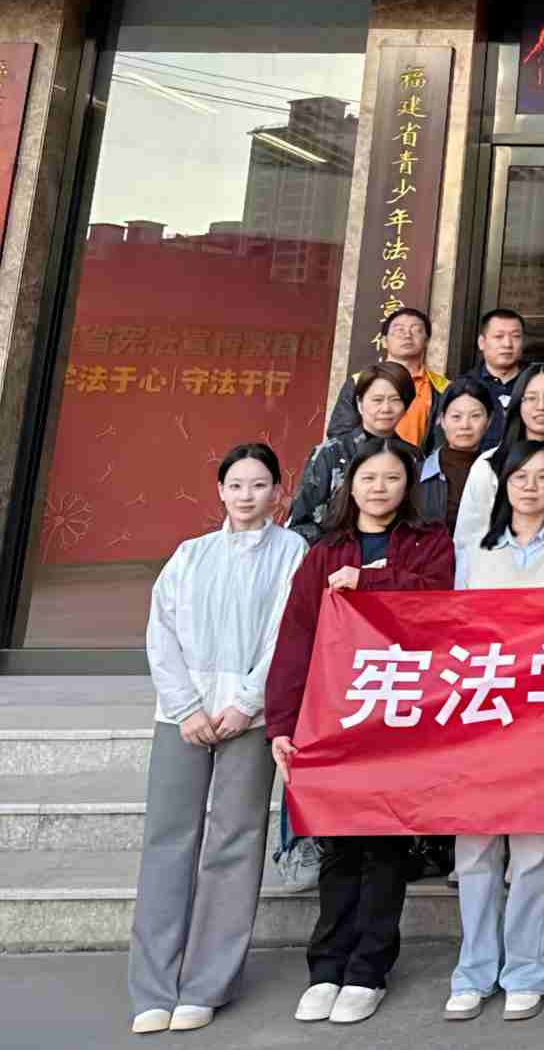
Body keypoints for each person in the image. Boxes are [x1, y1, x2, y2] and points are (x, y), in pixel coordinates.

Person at [265, 438, 454, 1027]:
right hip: (333, 717)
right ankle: (326, 968)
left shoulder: (430, 543)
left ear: (408, 486)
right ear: (351, 486)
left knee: (384, 844)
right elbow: (295, 638)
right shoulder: (324, 551)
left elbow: (438, 601)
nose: (379, 488)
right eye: (369, 478)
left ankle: (369, 969)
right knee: (339, 845)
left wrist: (372, 581)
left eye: (392, 478)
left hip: (398, 714)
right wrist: (282, 724)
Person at [128, 443, 305, 1037]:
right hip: (182, 716)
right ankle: (153, 986)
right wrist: (185, 706)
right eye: (235, 485)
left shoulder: (292, 552)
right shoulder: (190, 554)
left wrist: (247, 703)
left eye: (258, 484)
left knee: (235, 841)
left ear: (278, 490)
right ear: (220, 491)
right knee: (168, 840)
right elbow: (161, 631)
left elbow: (286, 633)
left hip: (246, 719)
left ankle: (206, 984)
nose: (246, 495)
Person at [445, 440, 544, 1025]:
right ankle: (474, 971)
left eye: (543, 477)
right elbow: (456, 631)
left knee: (533, 853)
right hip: (483, 716)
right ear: (503, 483)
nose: (530, 487)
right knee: (475, 850)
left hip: (543, 719)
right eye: (520, 476)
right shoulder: (477, 551)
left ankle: (527, 970)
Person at [454, 365, 544, 557]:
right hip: (491, 570)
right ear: (518, 403)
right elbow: (466, 539)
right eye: (531, 398)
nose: (541, 406)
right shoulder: (488, 462)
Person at [289, 362, 418, 545]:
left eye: (395, 400)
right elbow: (299, 524)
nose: (386, 408)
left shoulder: (413, 457)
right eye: (377, 400)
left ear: (406, 406)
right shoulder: (331, 452)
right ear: (359, 403)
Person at [324, 306, 447, 452]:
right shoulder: (359, 381)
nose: (407, 335)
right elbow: (340, 433)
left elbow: (443, 441)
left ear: (426, 341)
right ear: (384, 341)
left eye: (416, 330)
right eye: (399, 330)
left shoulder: (442, 387)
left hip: (417, 463)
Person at [417, 376, 496, 528]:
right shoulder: (417, 474)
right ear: (442, 420)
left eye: (475, 416)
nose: (465, 425)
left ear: (489, 420)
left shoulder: (499, 473)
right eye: (456, 417)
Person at [467, 307, 526, 450]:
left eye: (515, 336)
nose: (507, 344)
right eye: (499, 336)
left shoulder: (536, 383)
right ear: (482, 342)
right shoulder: (465, 386)